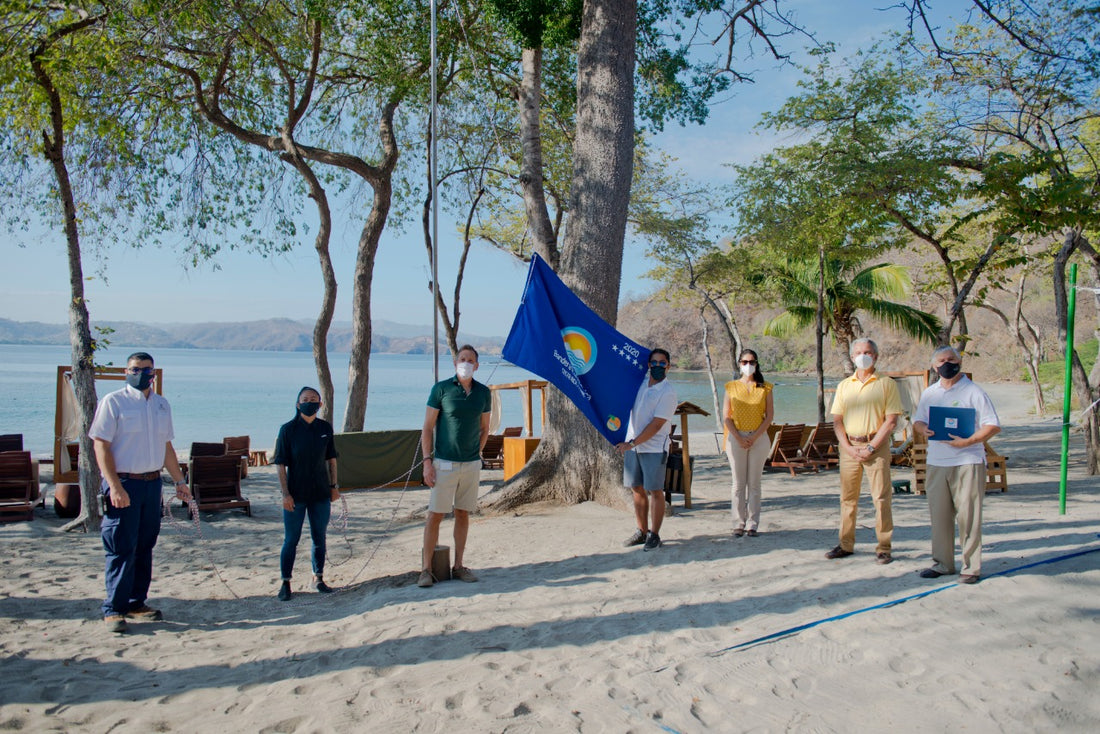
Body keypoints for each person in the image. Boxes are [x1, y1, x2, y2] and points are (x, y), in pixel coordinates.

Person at [89, 351, 191, 634]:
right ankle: (114, 609)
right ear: (126, 371)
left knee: (145, 545)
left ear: (153, 373)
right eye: (135, 369)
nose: (140, 373)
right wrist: (115, 485)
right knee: (121, 545)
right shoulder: (114, 402)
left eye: (146, 369)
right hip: (124, 483)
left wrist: (180, 481)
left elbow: (167, 448)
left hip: (152, 484)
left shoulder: (161, 405)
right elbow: (101, 446)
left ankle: (136, 602)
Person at [912, 346, 1000, 584]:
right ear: (934, 366)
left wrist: (969, 441)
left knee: (968, 516)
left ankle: (971, 567)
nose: (947, 363)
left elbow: (992, 425)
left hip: (967, 461)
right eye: (941, 360)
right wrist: (924, 429)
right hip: (936, 461)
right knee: (939, 516)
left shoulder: (974, 392)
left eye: (952, 359)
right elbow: (918, 421)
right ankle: (943, 564)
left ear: (960, 362)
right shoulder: (930, 393)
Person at [419, 345, 492, 588]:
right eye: (462, 359)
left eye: (470, 360)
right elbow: (427, 428)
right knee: (435, 515)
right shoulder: (441, 389)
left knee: (462, 513)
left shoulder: (483, 393)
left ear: (477, 365)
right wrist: (427, 462)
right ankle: (426, 570)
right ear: (455, 362)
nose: (466, 363)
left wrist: (477, 452)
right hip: (443, 464)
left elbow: (485, 428)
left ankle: (459, 565)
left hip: (470, 465)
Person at [827, 338, 902, 564]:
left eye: (868, 352)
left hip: (876, 448)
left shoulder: (886, 384)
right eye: (858, 352)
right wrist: (849, 447)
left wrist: (871, 447)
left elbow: (891, 421)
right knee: (847, 498)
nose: (863, 355)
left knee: (880, 498)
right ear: (852, 357)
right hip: (849, 447)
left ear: (876, 356)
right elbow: (837, 421)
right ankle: (846, 543)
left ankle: (884, 547)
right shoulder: (844, 386)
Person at [272, 387, 340, 601]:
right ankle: (285, 582)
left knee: (319, 537)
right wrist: (285, 494)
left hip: (320, 493)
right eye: (305, 399)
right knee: (291, 539)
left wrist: (334, 486)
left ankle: (318, 578)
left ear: (320, 404)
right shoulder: (287, 430)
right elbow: (280, 465)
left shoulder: (324, 428)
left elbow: (332, 459)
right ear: (297, 403)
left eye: (313, 399)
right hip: (295, 494)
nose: (309, 402)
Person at [618, 348, 678, 552]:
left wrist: (633, 443)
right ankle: (641, 531)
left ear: (668, 366)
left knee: (655, 491)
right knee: (636, 488)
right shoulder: (640, 384)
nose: (658, 366)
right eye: (655, 362)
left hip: (653, 448)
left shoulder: (668, 393)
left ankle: (655, 534)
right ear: (649, 365)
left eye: (663, 363)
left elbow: (655, 425)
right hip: (632, 446)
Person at [722, 349, 774, 538]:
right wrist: (738, 437)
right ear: (739, 363)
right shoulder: (730, 387)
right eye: (744, 362)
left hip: (759, 438)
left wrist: (755, 436)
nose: (748, 365)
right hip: (736, 438)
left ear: (757, 363)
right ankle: (738, 523)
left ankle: (752, 524)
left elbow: (769, 416)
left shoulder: (766, 387)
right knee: (738, 484)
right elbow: (726, 417)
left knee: (754, 483)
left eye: (751, 361)